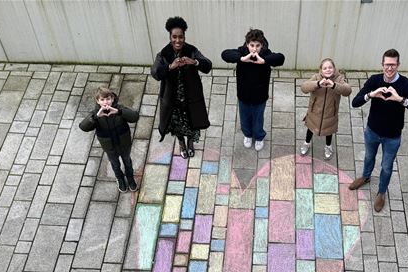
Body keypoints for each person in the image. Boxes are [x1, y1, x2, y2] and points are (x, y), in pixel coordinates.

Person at [350, 48, 408, 212]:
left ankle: (381, 193)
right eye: (386, 65)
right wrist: (371, 94)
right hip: (372, 131)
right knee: (369, 156)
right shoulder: (375, 81)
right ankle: (365, 176)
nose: (389, 68)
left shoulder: (406, 84)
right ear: (382, 65)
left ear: (398, 65)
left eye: (393, 65)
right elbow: (355, 102)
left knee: (386, 166)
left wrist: (400, 99)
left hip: (392, 136)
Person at [151, 16, 212, 159]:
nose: (177, 40)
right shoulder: (164, 54)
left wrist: (194, 62)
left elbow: (207, 65)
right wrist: (170, 67)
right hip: (173, 100)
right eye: (174, 37)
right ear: (170, 36)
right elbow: (155, 73)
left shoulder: (191, 50)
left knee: (192, 121)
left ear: (184, 36)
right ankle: (181, 143)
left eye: (181, 37)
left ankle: (190, 142)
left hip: (191, 98)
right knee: (177, 125)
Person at [221, 28, 285, 151]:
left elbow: (280, 58)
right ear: (247, 44)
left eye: (257, 46)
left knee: (258, 119)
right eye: (251, 45)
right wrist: (242, 59)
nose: (254, 49)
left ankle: (259, 137)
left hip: (260, 97)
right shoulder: (242, 52)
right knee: (244, 118)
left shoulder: (265, 54)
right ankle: (248, 135)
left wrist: (264, 61)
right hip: (243, 95)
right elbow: (225, 54)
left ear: (262, 45)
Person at [79, 86, 140, 192]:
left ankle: (130, 177)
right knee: (115, 164)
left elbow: (135, 117)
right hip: (110, 147)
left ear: (112, 99)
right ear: (98, 101)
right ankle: (120, 178)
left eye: (108, 99)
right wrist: (95, 117)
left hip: (124, 144)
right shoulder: (95, 114)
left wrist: (118, 112)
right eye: (102, 100)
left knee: (127, 161)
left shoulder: (119, 109)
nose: (105, 102)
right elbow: (83, 127)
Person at [300, 58, 352, 160]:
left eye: (330, 67)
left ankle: (328, 146)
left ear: (334, 68)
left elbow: (347, 91)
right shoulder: (316, 77)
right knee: (310, 128)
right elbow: (304, 88)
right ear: (321, 70)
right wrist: (318, 84)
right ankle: (306, 143)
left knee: (329, 131)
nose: (328, 70)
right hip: (314, 112)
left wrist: (335, 86)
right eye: (325, 68)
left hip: (330, 113)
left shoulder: (339, 79)